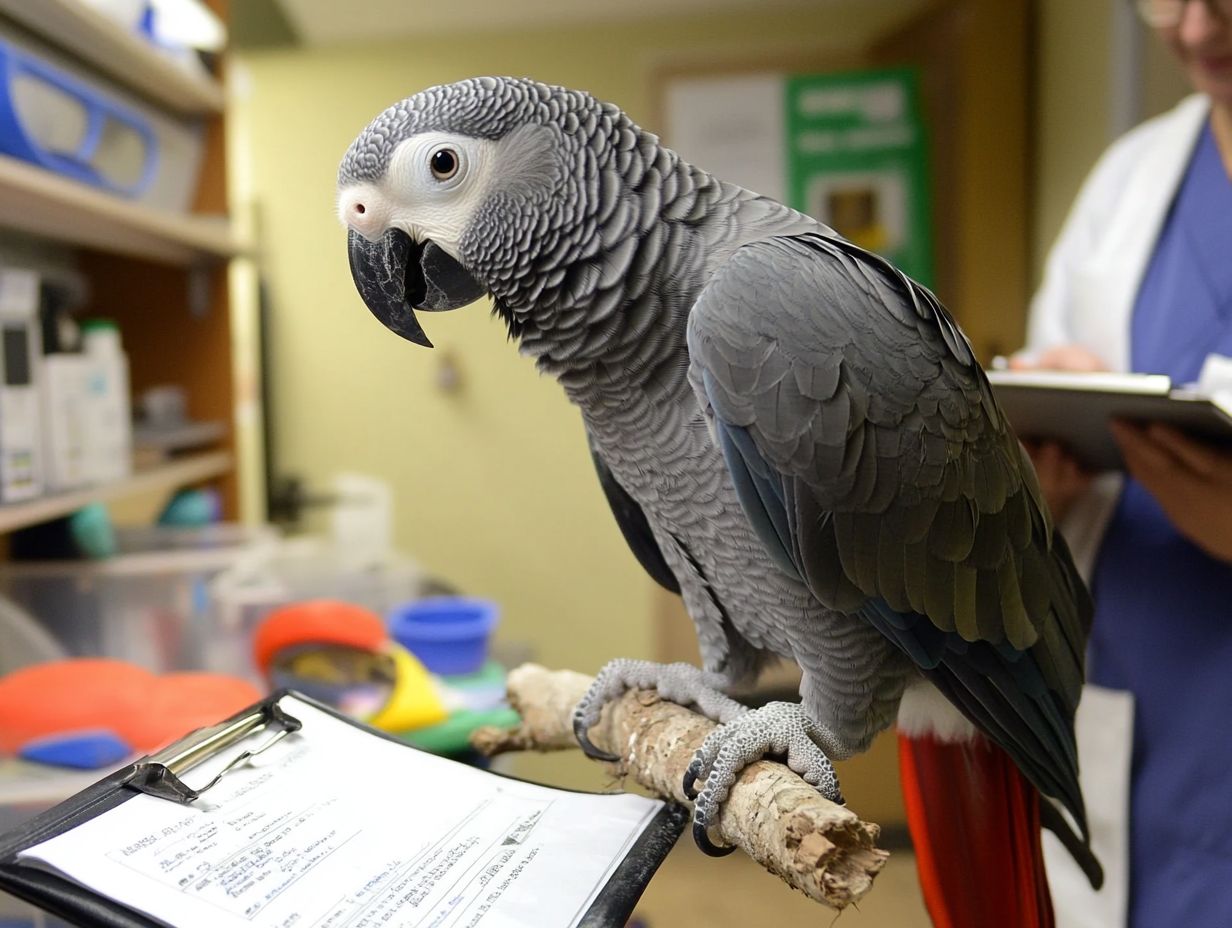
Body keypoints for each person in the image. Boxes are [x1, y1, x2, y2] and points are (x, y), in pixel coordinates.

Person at [1012, 0, 1232, 924]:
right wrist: (1036, 481)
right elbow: (1051, 350)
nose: (1193, 30)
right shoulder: (1131, 180)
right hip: (1139, 688)